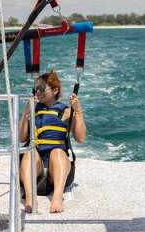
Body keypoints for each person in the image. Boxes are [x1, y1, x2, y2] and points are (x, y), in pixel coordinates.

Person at [19, 69, 86, 213]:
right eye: (35, 88)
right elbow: (21, 138)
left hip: (57, 165)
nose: (37, 91)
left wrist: (78, 111)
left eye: (42, 88)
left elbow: (80, 138)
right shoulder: (33, 110)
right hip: (36, 164)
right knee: (29, 152)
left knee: (57, 151)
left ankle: (57, 197)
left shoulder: (66, 112)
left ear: (55, 90)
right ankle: (30, 199)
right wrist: (27, 111)